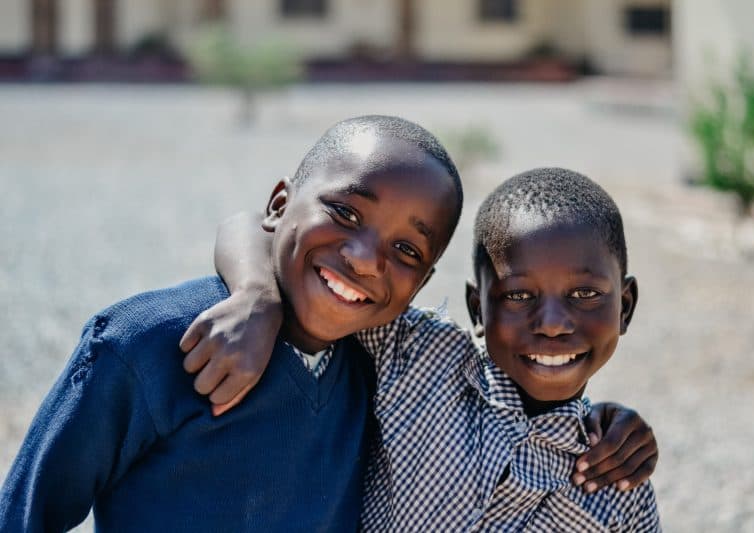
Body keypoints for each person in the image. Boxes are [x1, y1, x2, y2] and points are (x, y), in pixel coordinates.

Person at [0, 115, 465, 532]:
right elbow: (25, 516)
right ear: (279, 204)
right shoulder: (146, 344)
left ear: (421, 283)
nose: (365, 260)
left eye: (407, 250)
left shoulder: (384, 374)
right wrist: (256, 294)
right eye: (345, 213)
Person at [183, 168, 660, 530]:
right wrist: (255, 296)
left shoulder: (617, 478)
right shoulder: (420, 358)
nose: (553, 324)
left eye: (585, 295)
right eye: (518, 295)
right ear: (478, 309)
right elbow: (253, 228)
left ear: (626, 306)